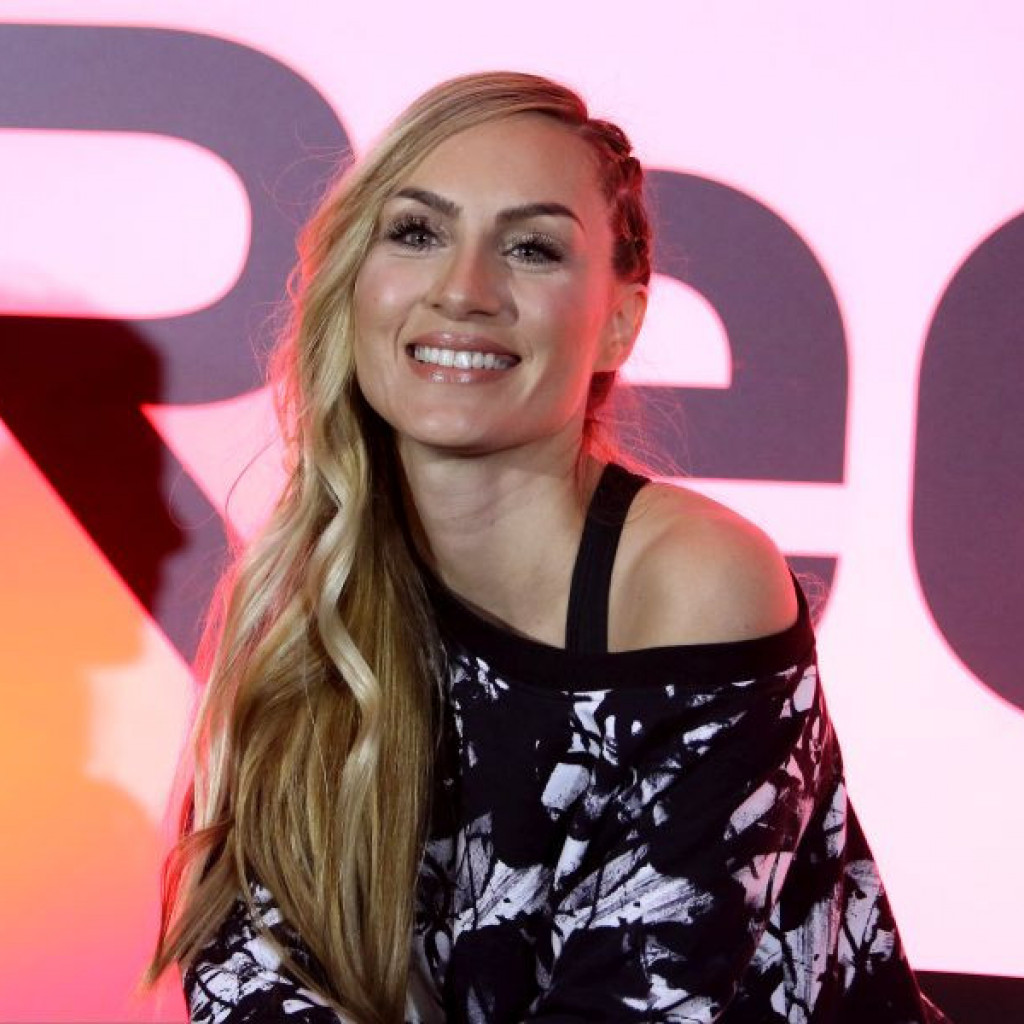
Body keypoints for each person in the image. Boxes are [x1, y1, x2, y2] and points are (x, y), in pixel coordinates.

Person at [147, 71, 950, 1024]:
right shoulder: (310, 592)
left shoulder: (695, 583)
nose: (463, 290)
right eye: (417, 232)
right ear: (352, 281)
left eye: (531, 249)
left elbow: (640, 1001)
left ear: (620, 322)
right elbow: (247, 972)